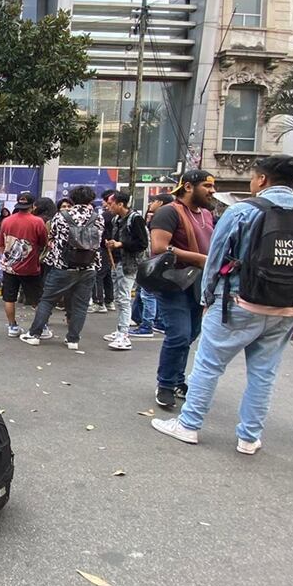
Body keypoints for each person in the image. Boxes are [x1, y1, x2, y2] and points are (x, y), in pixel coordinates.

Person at [151, 155, 293, 454]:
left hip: (236, 303)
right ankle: (249, 438)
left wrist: (207, 299)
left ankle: (189, 425)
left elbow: (215, 260)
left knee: (209, 366)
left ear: (262, 179)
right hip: (286, 309)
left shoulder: (242, 211)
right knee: (264, 374)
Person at [148, 170, 216, 408]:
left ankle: (177, 379)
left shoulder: (206, 214)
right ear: (188, 187)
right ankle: (165, 384)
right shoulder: (169, 212)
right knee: (178, 334)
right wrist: (200, 258)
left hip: (199, 284)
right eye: (207, 186)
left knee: (190, 334)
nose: (212, 191)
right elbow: (159, 247)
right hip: (174, 283)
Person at [20, 186, 103, 351]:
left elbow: (52, 237)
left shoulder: (62, 216)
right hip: (88, 266)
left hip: (63, 266)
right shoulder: (97, 217)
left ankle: (34, 334)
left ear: (72, 199)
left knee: (47, 300)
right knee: (80, 305)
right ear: (91, 200)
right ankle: (73, 339)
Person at [102, 191, 149, 351]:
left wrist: (121, 244)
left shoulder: (135, 219)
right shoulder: (117, 219)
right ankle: (120, 330)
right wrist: (112, 244)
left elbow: (142, 243)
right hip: (117, 262)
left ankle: (123, 334)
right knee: (119, 298)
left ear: (120, 204)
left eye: (111, 204)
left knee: (124, 298)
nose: (108, 207)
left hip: (129, 264)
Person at [0, 192, 49, 337]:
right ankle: (42, 327)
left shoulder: (6, 221)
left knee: (9, 298)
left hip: (9, 267)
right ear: (33, 206)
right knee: (37, 299)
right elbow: (43, 243)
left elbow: (1, 243)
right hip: (30, 267)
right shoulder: (38, 222)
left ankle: (12, 327)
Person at [130, 193, 174, 338]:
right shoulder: (170, 217)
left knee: (147, 294)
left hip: (156, 262)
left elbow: (155, 245)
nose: (150, 204)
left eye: (153, 201)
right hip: (162, 262)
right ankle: (158, 322)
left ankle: (146, 326)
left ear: (160, 203)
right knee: (154, 294)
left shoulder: (162, 218)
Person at [89, 189, 117, 314]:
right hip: (113, 248)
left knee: (98, 275)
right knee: (107, 275)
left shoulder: (105, 216)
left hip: (103, 248)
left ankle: (98, 302)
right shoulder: (118, 216)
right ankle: (109, 301)